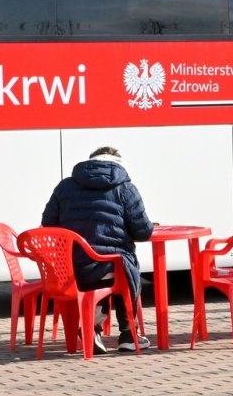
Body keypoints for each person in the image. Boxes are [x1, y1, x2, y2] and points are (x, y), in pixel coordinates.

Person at [41, 146, 155, 354]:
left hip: (69, 267)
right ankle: (128, 334)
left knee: (114, 267)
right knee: (123, 268)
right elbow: (143, 232)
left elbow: (47, 225)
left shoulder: (64, 187)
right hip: (106, 266)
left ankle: (92, 330)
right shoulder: (126, 188)